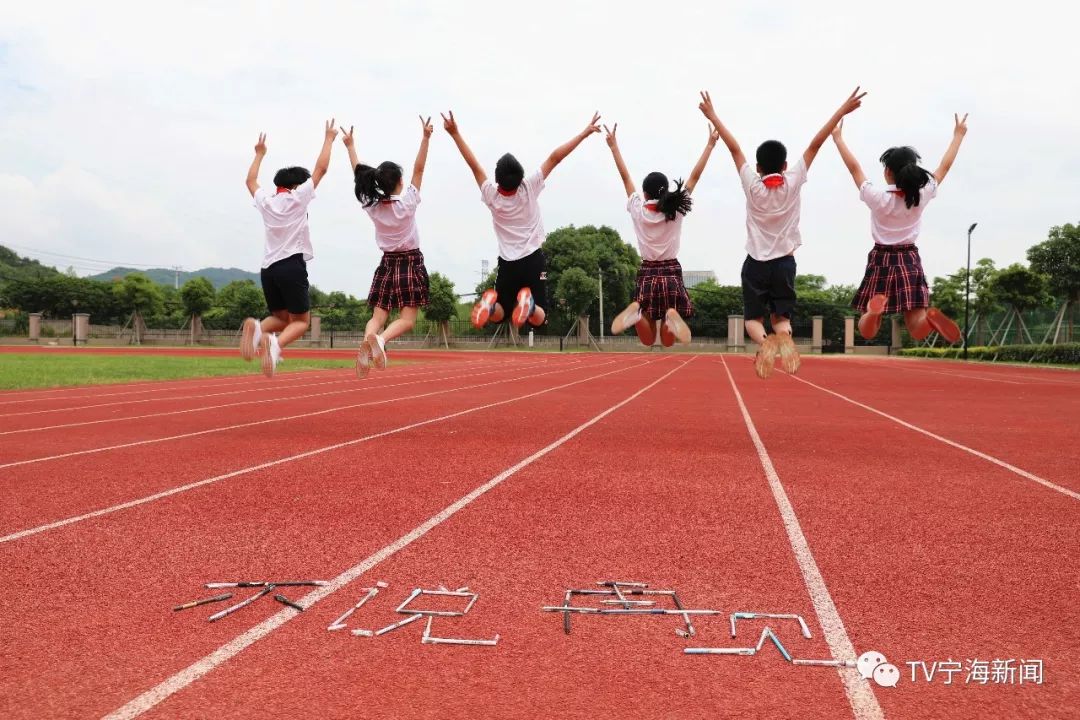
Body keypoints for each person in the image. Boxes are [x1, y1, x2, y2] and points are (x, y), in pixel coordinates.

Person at [699, 88, 866, 378]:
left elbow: (735, 149)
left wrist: (713, 115)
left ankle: (765, 344)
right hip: (785, 264)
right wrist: (840, 112)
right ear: (786, 166)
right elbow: (815, 144)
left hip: (755, 264)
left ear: (759, 167)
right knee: (781, 317)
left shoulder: (753, 185)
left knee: (753, 318)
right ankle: (783, 337)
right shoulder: (793, 180)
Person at [442, 110, 601, 331]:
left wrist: (455, 133)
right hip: (533, 259)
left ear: (497, 181)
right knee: (540, 318)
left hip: (507, 264)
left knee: (500, 314)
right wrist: (584, 133)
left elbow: (474, 166)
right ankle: (530, 304)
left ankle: (489, 307)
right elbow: (555, 157)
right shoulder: (529, 187)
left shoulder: (492, 196)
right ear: (520, 178)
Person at [831, 114, 968, 344]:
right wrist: (958, 135)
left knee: (867, 331)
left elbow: (854, 168)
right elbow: (945, 166)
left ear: (887, 173)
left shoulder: (875, 196)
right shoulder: (922, 194)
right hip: (909, 259)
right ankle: (930, 319)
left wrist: (838, 139)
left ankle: (875, 313)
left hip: (881, 260)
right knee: (916, 327)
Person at [605, 122, 720, 346]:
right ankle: (669, 318)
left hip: (647, 271)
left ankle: (637, 316)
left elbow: (625, 178)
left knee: (648, 340)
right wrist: (709, 146)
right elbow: (694, 178)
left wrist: (614, 147)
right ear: (667, 192)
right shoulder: (674, 209)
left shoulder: (637, 208)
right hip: (670, 272)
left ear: (645, 192)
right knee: (667, 342)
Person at [241, 120, 337, 377]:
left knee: (282, 318)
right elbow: (322, 168)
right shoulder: (298, 198)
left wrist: (259, 154)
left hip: (268, 269)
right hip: (291, 265)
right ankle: (275, 344)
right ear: (296, 186)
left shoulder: (267, 201)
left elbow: (250, 181)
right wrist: (329, 137)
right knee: (301, 322)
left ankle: (259, 330)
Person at [342, 116, 434, 377]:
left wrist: (350, 145)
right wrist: (425, 138)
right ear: (399, 183)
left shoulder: (372, 207)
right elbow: (420, 169)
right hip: (409, 262)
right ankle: (380, 341)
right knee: (406, 319)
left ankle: (368, 342)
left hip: (386, 264)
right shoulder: (407, 204)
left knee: (378, 316)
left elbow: (358, 174)